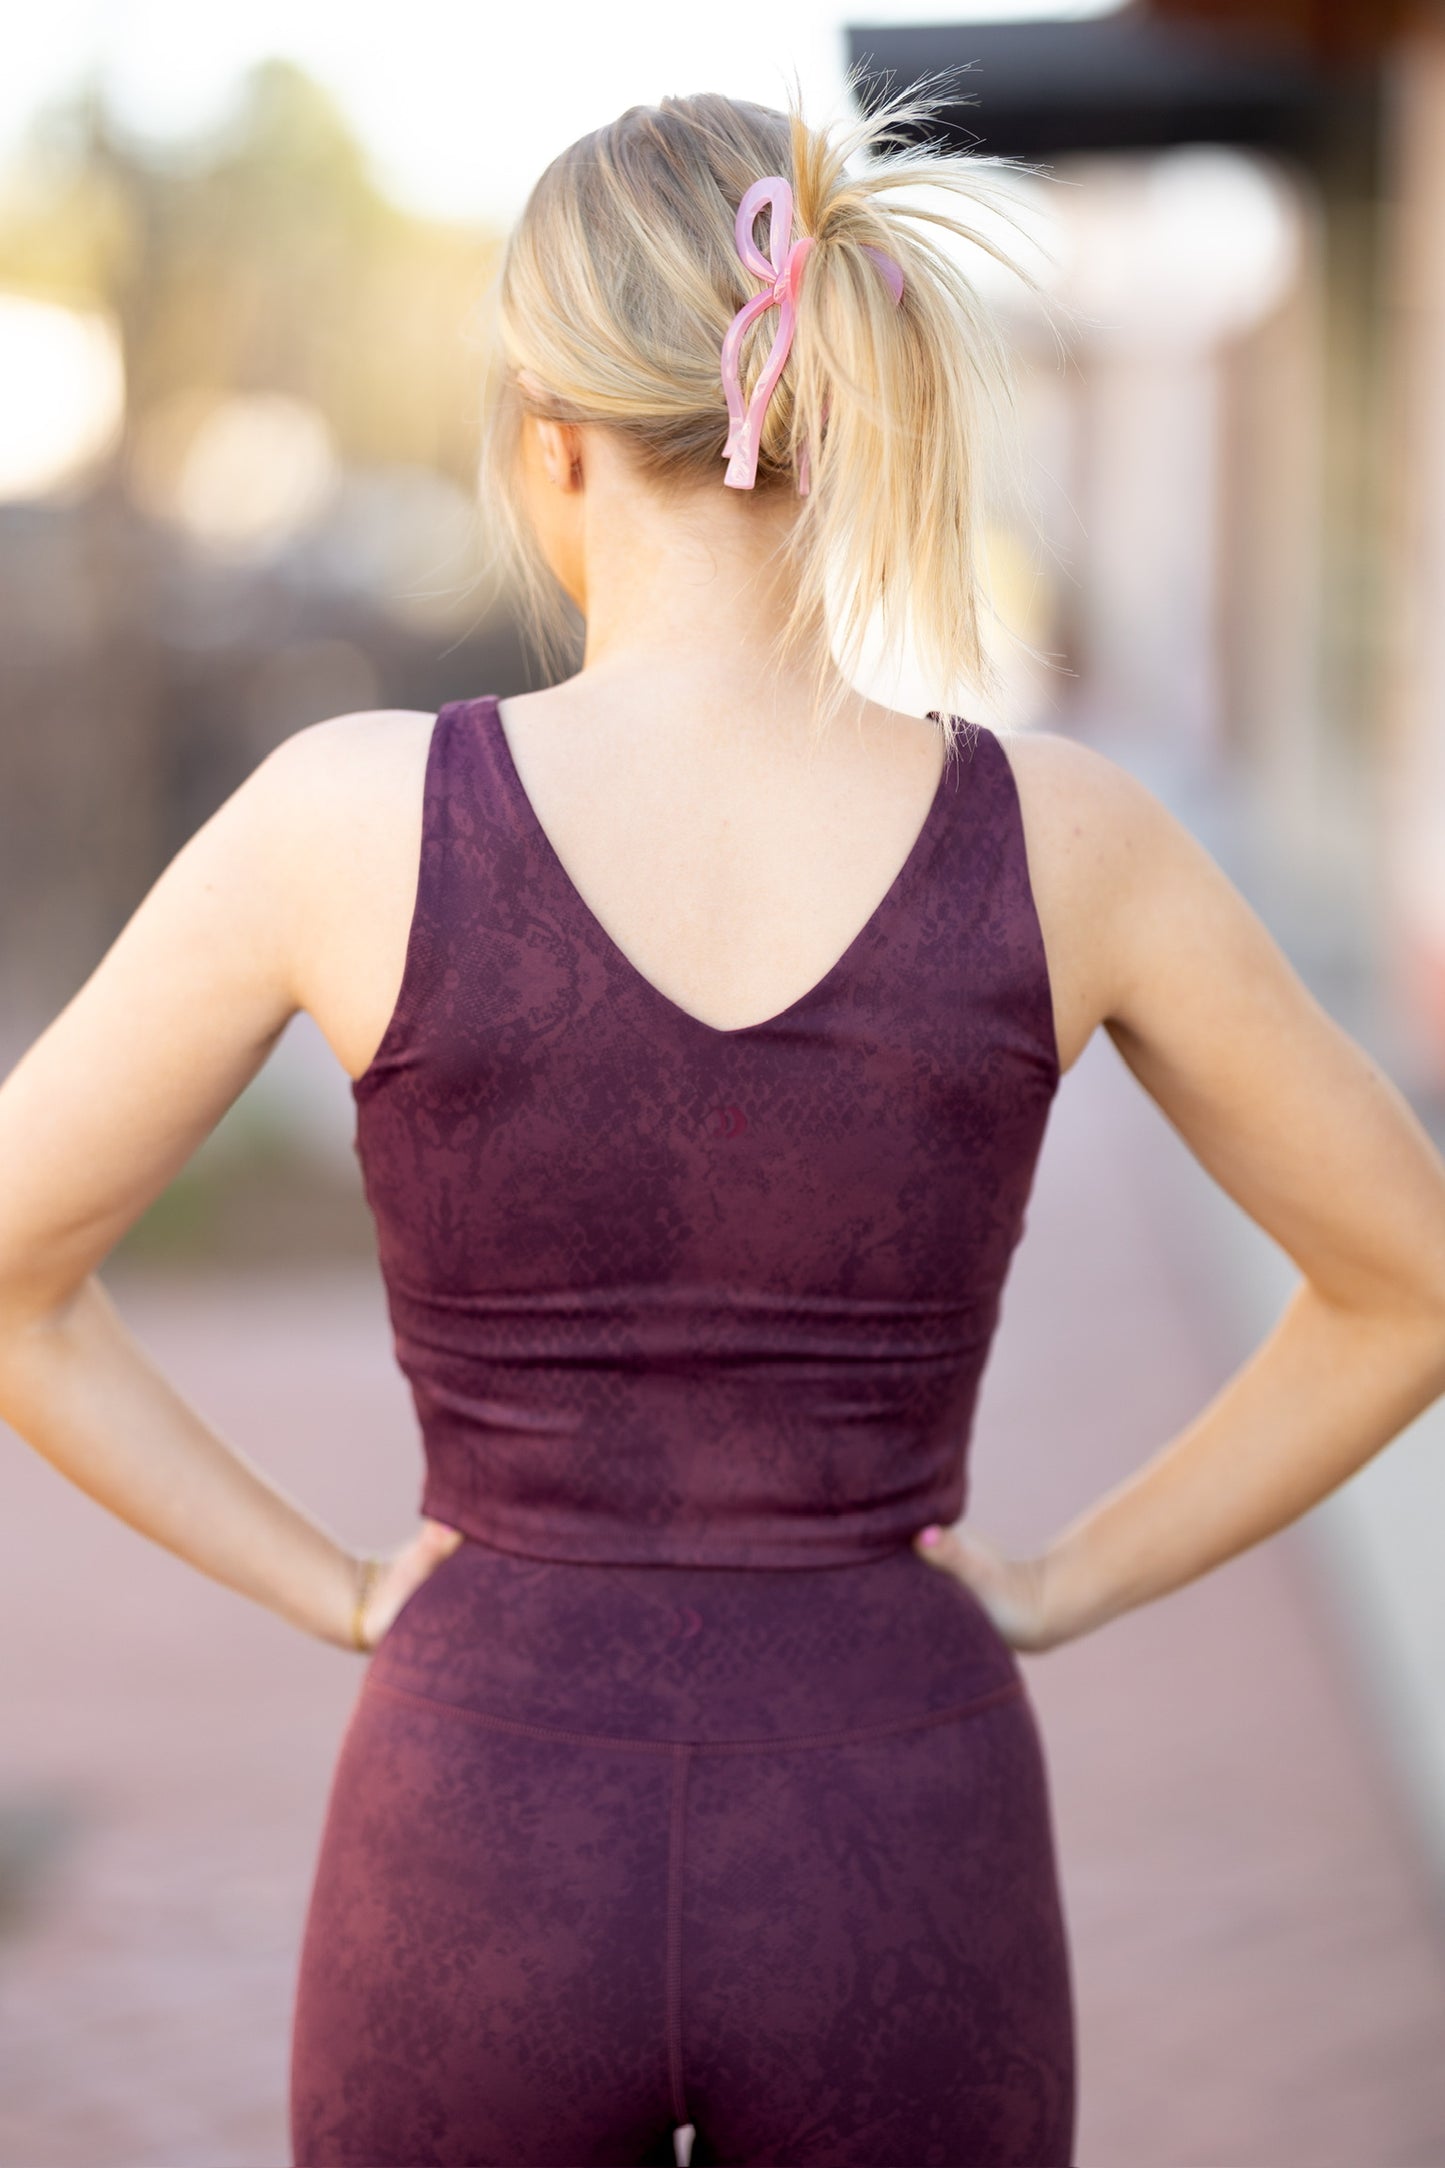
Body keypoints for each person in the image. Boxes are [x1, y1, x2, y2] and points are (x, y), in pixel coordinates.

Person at [2, 80, 1445, 2168]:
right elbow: (1407, 1280)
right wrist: (1056, 1577)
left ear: (547, 428)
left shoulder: (342, 821)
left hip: (480, 1814)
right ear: (838, 409)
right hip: (899, 1813)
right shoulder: (1073, 844)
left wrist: (329, 1585)